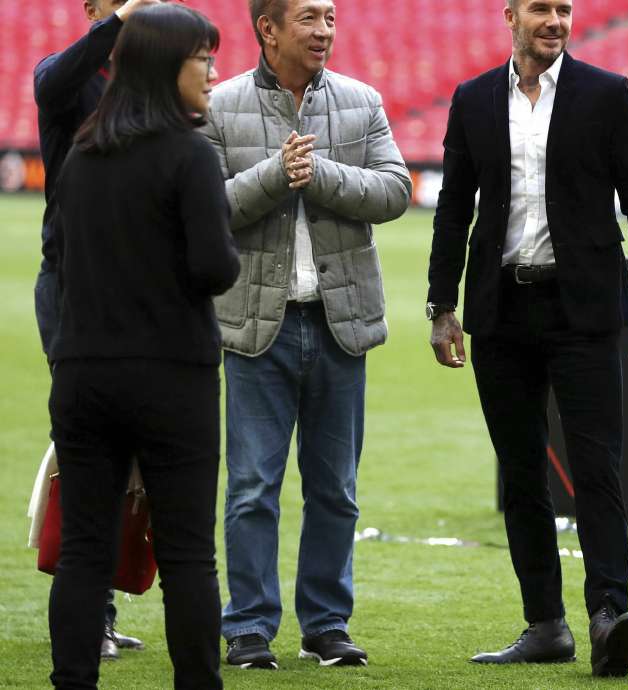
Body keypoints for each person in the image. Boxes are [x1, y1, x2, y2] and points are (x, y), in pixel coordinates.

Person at [426, 0, 628, 678]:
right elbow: (454, 205)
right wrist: (440, 304)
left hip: (585, 309)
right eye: (541, 7)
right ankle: (545, 625)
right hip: (501, 310)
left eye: (564, 8)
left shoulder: (606, 94)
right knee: (523, 474)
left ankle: (608, 616)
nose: (556, 20)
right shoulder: (474, 99)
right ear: (510, 14)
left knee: (595, 468)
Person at [201, 0, 411, 670]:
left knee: (336, 489)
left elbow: (395, 191)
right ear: (268, 28)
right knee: (252, 487)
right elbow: (204, 211)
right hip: (254, 326)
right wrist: (273, 176)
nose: (324, 31)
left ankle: (326, 625)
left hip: (338, 321)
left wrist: (317, 174)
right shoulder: (220, 104)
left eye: (330, 18)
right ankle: (249, 629)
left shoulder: (363, 99)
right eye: (309, 19)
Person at [47, 4, 237, 688]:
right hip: (170, 373)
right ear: (167, 67)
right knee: (188, 557)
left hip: (82, 372)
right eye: (203, 59)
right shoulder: (191, 153)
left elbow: (63, 259)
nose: (213, 72)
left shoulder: (80, 156)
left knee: (83, 553)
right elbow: (215, 269)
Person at [33, 0, 162, 661]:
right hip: (75, 290)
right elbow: (51, 82)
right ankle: (88, 617)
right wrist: (119, 22)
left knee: (129, 456)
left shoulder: (152, 88)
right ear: (90, 10)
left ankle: (102, 609)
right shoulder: (68, 76)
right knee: (89, 454)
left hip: (138, 293)